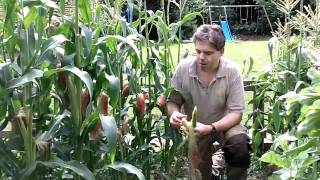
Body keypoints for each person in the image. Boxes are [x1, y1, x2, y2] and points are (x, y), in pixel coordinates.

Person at [167, 24, 250, 180]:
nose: (201, 57)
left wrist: (211, 128)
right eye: (198, 51)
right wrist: (175, 113)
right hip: (195, 127)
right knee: (200, 171)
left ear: (221, 52)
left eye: (208, 53)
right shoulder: (183, 69)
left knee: (240, 145)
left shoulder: (232, 71)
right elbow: (173, 101)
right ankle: (211, 174)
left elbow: (236, 114)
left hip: (225, 125)